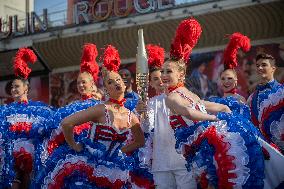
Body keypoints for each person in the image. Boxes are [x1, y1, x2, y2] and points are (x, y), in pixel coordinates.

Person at [162, 18, 266, 189]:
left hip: (207, 140)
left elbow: (202, 104)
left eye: (169, 71)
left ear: (181, 75)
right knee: (214, 176)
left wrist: (224, 108)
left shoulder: (188, 93)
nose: (164, 74)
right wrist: (213, 119)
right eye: (163, 71)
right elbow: (188, 112)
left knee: (227, 169)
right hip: (199, 145)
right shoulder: (171, 97)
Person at [38, 45, 145, 188]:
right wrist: (75, 146)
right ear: (106, 90)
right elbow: (66, 123)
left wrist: (119, 152)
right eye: (110, 82)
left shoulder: (131, 117)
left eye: (118, 80)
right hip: (89, 167)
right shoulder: (100, 109)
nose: (116, 83)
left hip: (115, 170)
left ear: (125, 86)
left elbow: (139, 141)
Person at [137, 44, 196, 189]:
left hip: (183, 159)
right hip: (161, 161)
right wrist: (142, 113)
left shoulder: (183, 95)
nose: (161, 80)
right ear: (150, 83)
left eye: (163, 75)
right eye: (155, 79)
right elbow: (147, 128)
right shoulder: (151, 103)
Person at [37, 44, 101, 170]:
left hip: (95, 155)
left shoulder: (100, 104)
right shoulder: (73, 105)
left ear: (92, 83)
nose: (81, 85)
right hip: (73, 154)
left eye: (84, 82)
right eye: (78, 83)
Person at [1, 48, 54, 189]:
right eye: (12, 87)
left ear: (26, 88)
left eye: (17, 86)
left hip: (33, 159)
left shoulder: (40, 110)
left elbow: (51, 128)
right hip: (10, 159)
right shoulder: (5, 110)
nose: (13, 89)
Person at [248, 53, 284, 153]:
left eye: (264, 65)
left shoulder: (282, 91)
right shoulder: (252, 97)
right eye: (257, 65)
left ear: (273, 68)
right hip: (264, 151)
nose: (260, 68)